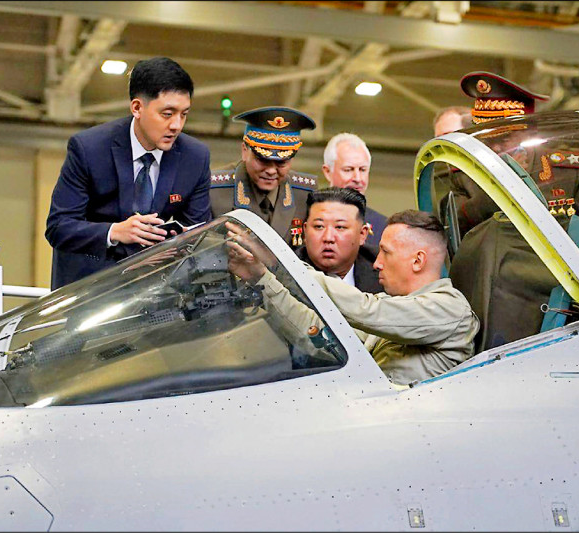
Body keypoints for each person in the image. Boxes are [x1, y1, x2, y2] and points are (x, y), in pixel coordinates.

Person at [226, 210, 480, 386]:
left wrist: (281, 262)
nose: (377, 264)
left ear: (418, 260)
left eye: (386, 252)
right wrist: (262, 278)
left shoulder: (450, 308)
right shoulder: (395, 312)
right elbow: (317, 333)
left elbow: (366, 310)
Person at [444, 71, 579, 257]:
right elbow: (455, 229)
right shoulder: (464, 172)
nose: (496, 147)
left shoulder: (566, 170)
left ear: (530, 131)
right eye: (488, 139)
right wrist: (499, 186)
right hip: (492, 278)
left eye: (504, 137)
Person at [45, 57, 211, 290]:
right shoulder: (89, 149)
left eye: (184, 114)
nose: (177, 125)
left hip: (157, 292)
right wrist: (115, 231)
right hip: (88, 290)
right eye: (167, 114)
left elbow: (199, 234)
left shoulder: (196, 157)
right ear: (137, 108)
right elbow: (59, 227)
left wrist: (180, 241)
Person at [209, 106, 318, 248]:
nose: (271, 171)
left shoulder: (305, 193)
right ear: (244, 151)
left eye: (281, 162)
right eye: (263, 160)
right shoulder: (213, 190)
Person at [296, 187, 382, 294]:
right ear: (305, 232)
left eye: (340, 227)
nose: (328, 238)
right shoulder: (289, 273)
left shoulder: (383, 269)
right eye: (319, 226)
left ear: (362, 234)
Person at [321, 133, 386, 248]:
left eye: (362, 170)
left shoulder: (382, 226)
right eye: (348, 170)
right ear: (327, 172)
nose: (357, 178)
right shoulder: (309, 217)